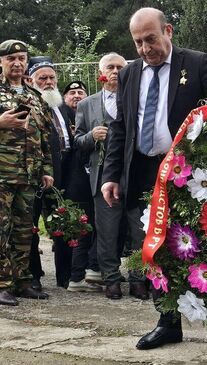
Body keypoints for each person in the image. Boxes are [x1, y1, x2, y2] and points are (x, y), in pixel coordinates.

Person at [100, 8, 207, 349]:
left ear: (167, 30)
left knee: (200, 243)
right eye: (138, 42)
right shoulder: (129, 74)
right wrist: (111, 175)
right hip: (143, 173)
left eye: (150, 39)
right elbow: (120, 128)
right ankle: (168, 321)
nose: (144, 48)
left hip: (188, 174)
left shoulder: (195, 63)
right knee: (152, 249)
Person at [0, 40, 54, 306]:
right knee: (1, 230)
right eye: (11, 58)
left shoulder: (35, 95)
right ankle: (2, 283)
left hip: (28, 175)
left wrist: (47, 170)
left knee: (24, 230)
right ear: (1, 62)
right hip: (2, 176)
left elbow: (44, 138)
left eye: (21, 58)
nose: (17, 63)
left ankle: (22, 281)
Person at [28, 56, 88, 290]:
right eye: (42, 78)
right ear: (31, 80)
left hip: (63, 174)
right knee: (31, 225)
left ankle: (65, 276)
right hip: (35, 175)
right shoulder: (28, 104)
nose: (49, 82)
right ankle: (33, 275)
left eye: (52, 77)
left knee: (63, 224)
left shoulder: (62, 106)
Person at [75, 53, 128, 299]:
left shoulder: (135, 99)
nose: (116, 71)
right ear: (101, 72)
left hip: (132, 174)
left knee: (138, 229)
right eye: (111, 67)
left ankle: (139, 279)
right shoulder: (87, 104)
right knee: (106, 231)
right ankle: (111, 279)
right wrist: (91, 136)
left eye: (120, 67)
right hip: (101, 177)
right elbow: (77, 141)